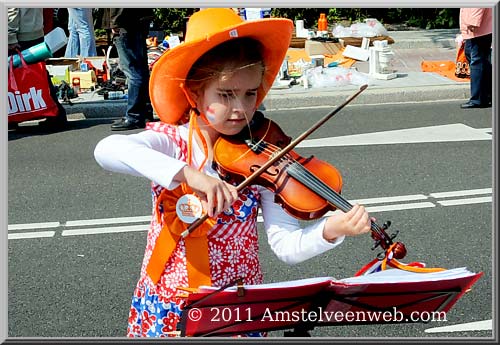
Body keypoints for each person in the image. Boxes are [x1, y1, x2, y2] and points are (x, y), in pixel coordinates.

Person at [94, 8, 372, 337]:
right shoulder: (171, 143)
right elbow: (106, 150)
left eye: (250, 93)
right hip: (171, 304)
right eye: (226, 95)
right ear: (194, 93)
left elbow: (286, 246)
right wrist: (189, 174)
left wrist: (331, 229)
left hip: (236, 312)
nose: (240, 108)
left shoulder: (264, 156)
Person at [8, 7, 68, 129]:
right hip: (34, 28)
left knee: (11, 73)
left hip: (21, 31)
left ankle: (13, 115)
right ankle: (55, 114)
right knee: (38, 73)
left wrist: (9, 36)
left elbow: (11, 8)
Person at [102, 8, 154, 130]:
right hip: (137, 20)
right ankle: (144, 112)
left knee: (133, 71)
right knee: (140, 69)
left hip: (126, 22)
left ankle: (134, 116)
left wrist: (115, 22)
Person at [459, 7, 492, 109]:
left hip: (478, 28)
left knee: (477, 62)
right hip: (477, 28)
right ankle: (487, 95)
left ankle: (478, 99)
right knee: (479, 61)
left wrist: (473, 22)